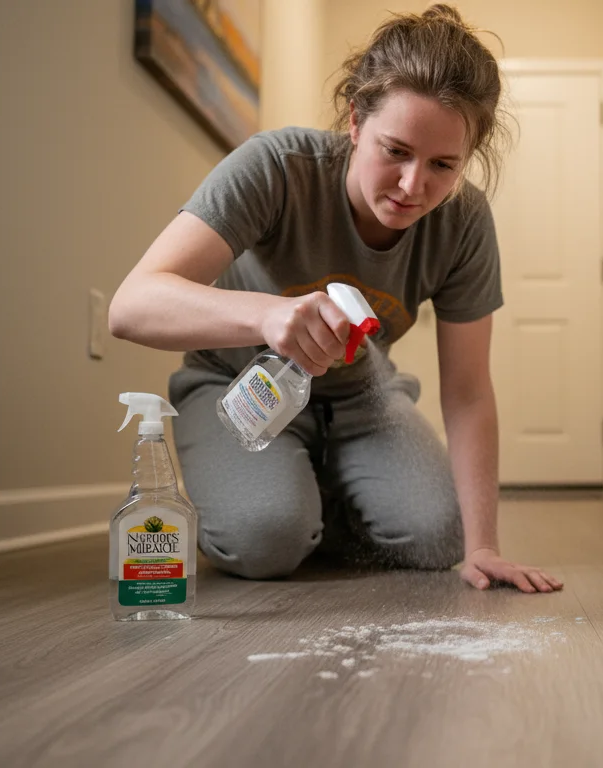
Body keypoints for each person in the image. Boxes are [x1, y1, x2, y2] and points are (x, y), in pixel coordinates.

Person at [109, 4, 561, 594]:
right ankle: (288, 507)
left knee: (436, 541)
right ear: (354, 120)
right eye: (395, 150)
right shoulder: (276, 167)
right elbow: (132, 305)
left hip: (362, 400)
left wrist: (483, 547)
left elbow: (470, 390)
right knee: (266, 540)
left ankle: (313, 500)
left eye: (443, 165)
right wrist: (268, 316)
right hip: (240, 391)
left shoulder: (464, 221)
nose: (412, 186)